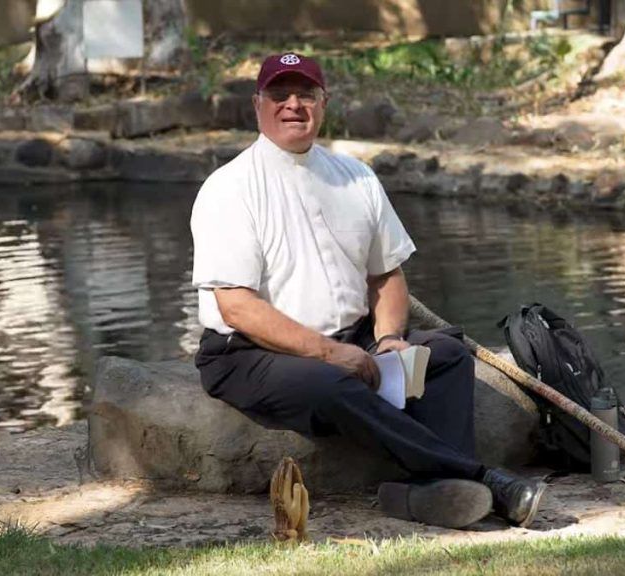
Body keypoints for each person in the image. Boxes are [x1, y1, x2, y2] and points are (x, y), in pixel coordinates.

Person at [190, 52, 545, 529]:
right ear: (258, 104)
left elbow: (386, 276)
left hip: (351, 339)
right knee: (331, 382)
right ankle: (482, 479)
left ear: (324, 102)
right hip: (249, 355)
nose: (293, 105)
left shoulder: (356, 177)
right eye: (279, 95)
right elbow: (237, 308)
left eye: (306, 94)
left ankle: (426, 493)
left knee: (447, 354)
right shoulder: (228, 188)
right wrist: (330, 353)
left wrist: (389, 340)